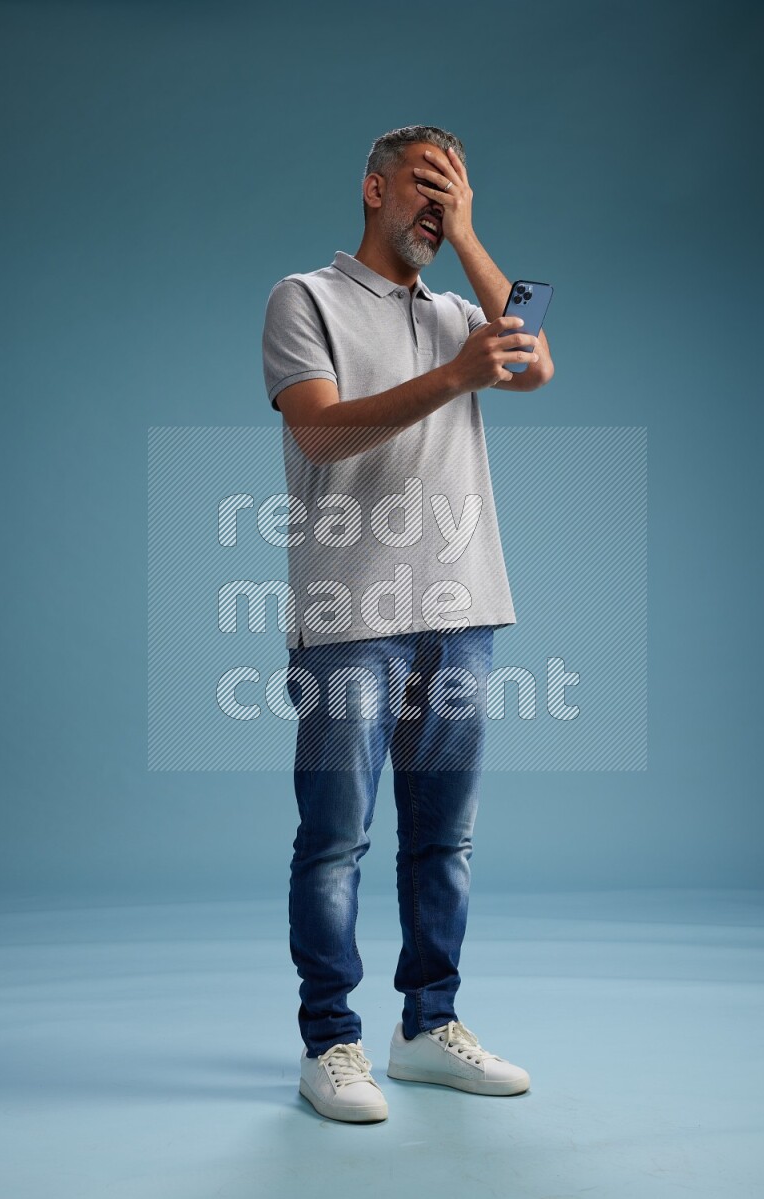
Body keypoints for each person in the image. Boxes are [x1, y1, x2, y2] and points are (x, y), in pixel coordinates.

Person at [261, 125, 554, 1123]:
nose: (437, 205)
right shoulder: (304, 298)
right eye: (426, 186)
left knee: (445, 840)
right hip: (349, 614)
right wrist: (455, 377)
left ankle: (428, 1026)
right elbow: (319, 429)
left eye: (455, 190)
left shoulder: (462, 312)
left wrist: (469, 236)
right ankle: (329, 1041)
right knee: (334, 840)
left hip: (462, 609)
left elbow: (536, 361)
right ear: (373, 187)